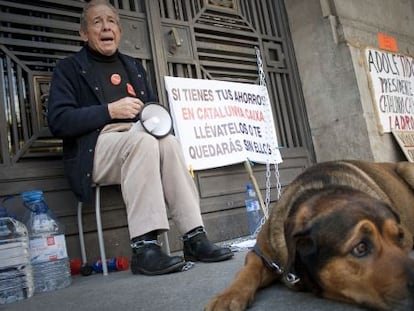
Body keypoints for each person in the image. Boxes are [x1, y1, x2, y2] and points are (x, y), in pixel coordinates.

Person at [47, 0, 233, 276]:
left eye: (111, 21)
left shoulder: (133, 66)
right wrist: (109, 110)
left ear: (120, 31)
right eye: (97, 22)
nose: (106, 26)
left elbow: (152, 111)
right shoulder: (69, 68)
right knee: (143, 142)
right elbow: (59, 121)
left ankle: (194, 236)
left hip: (139, 141)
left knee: (168, 142)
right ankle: (144, 247)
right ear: (83, 34)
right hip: (98, 148)